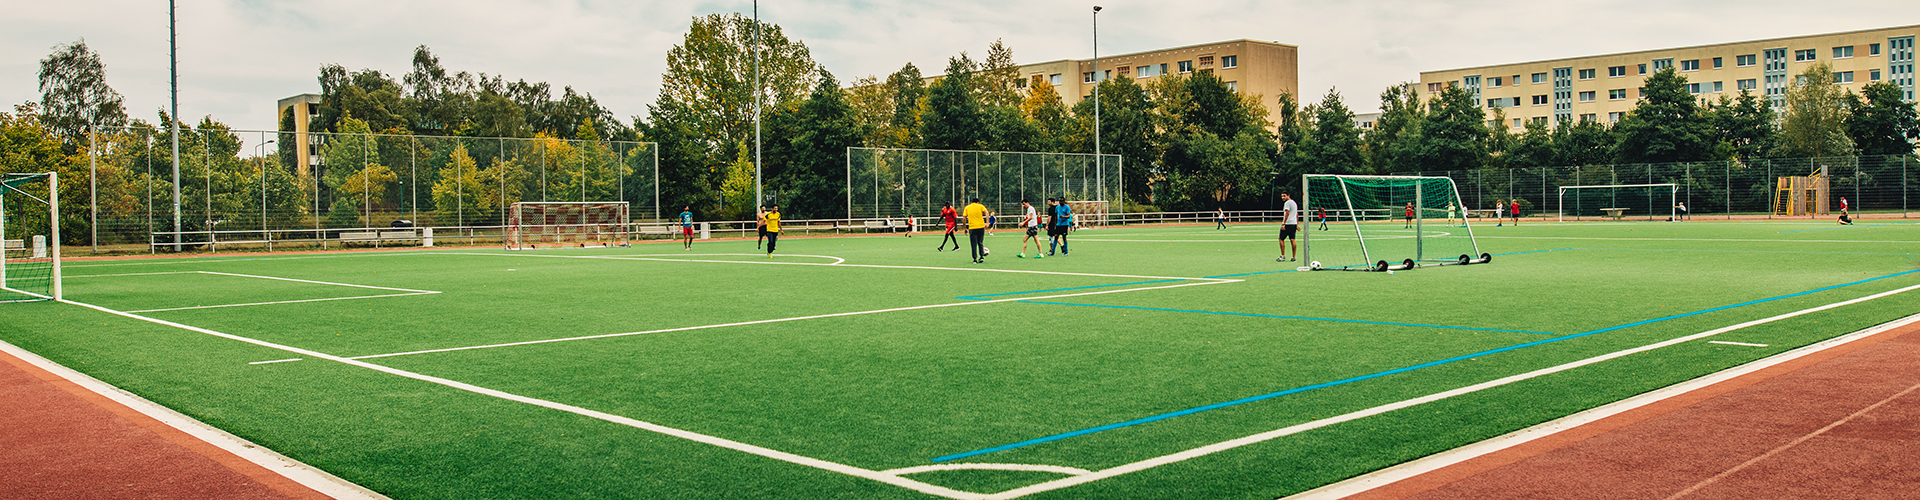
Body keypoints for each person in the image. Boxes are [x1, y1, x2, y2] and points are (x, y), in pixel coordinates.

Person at [963, 198, 989, 264]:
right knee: (980, 242)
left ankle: (974, 259)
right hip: (981, 227)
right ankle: (981, 257)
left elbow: (964, 218)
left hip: (972, 228)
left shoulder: (967, 207)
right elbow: (986, 212)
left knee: (973, 244)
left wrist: (965, 228)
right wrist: (987, 223)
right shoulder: (980, 206)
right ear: (978, 202)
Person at [1278, 193, 1299, 262]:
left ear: (1288, 196)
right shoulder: (1294, 203)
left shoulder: (1287, 203)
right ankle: (1294, 257)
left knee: (1281, 239)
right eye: (1282, 196)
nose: (1283, 197)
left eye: (1284, 196)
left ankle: (1283, 256)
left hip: (1288, 223)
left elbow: (1287, 213)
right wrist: (1297, 224)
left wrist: (1284, 223)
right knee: (1292, 239)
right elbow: (1296, 214)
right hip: (1293, 224)